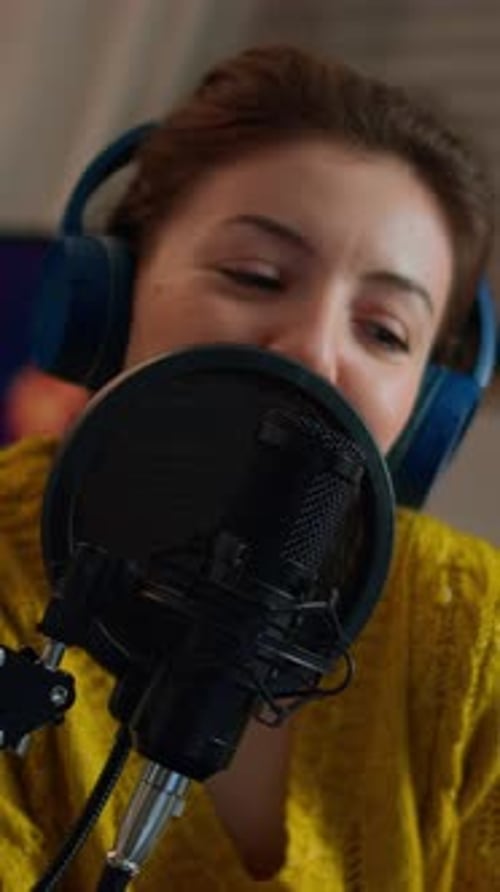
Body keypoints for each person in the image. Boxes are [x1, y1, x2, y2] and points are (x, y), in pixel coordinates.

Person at [0, 44, 498, 892]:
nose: (312, 349)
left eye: (383, 331)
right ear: (108, 300)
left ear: (427, 413)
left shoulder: (472, 625)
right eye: (256, 275)